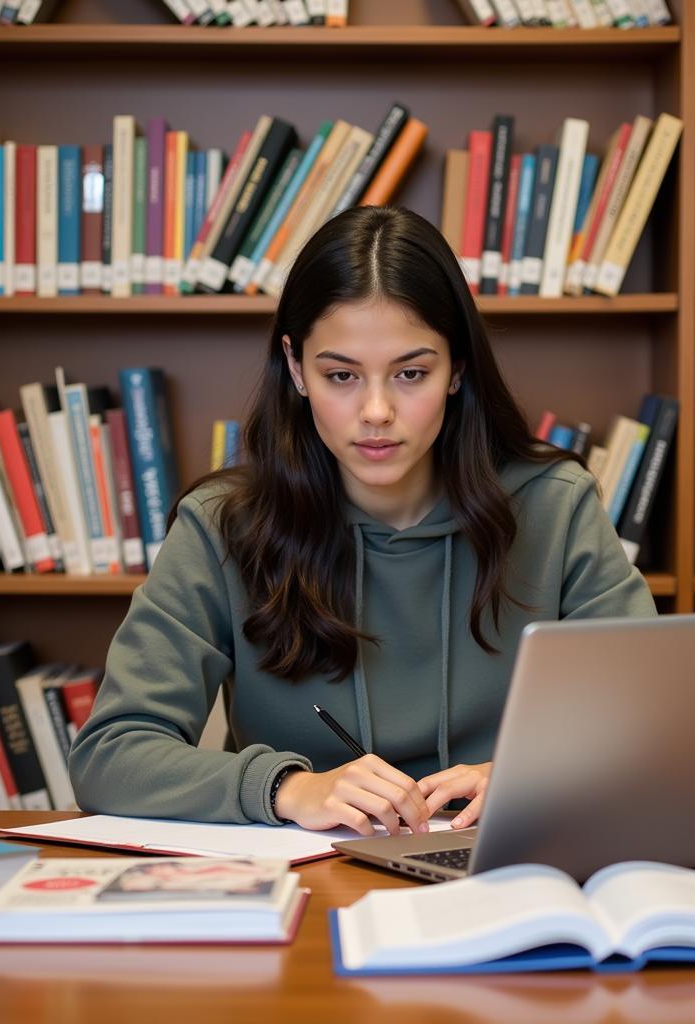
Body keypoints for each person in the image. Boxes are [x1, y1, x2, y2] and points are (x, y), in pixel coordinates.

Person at [68, 206, 656, 838]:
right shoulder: (222, 526)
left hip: (508, 867)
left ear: (457, 367)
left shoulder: (556, 506)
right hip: (315, 884)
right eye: (341, 375)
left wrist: (535, 771)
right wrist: (287, 788)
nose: (376, 411)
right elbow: (110, 754)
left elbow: (656, 720)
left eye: (411, 373)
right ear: (295, 368)